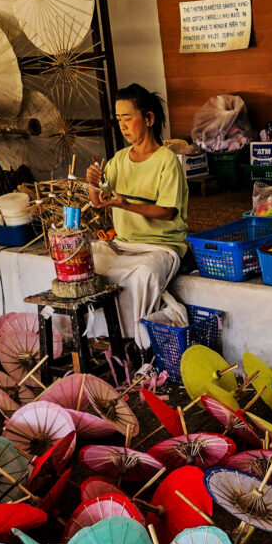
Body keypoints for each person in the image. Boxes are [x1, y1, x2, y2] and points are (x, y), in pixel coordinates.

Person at [86, 85, 189, 349]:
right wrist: (91, 184)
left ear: (149, 119)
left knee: (145, 273)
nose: (123, 126)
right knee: (89, 262)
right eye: (118, 120)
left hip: (161, 247)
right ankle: (105, 337)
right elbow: (99, 202)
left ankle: (141, 343)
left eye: (128, 118)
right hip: (123, 244)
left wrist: (126, 204)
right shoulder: (118, 160)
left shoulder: (167, 161)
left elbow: (167, 212)